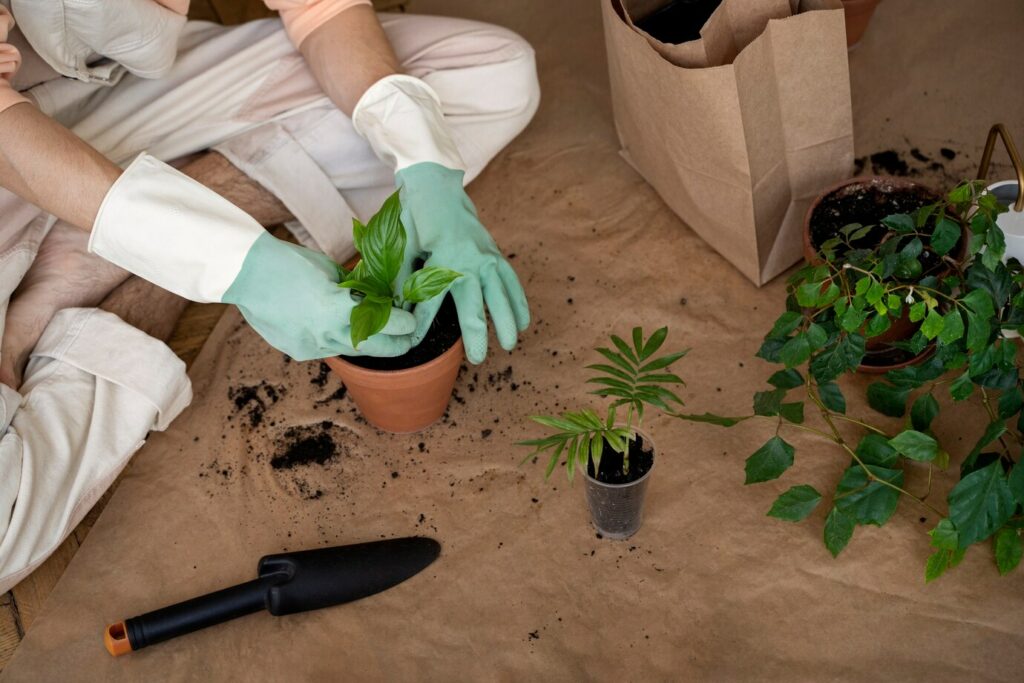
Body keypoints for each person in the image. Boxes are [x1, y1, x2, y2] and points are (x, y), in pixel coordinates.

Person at [0, 0, 539, 594]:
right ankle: (143, 248)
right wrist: (245, 269)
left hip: (124, 89)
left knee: (495, 76)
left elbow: (320, 7)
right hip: (10, 153)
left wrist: (428, 169)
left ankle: (130, 251)